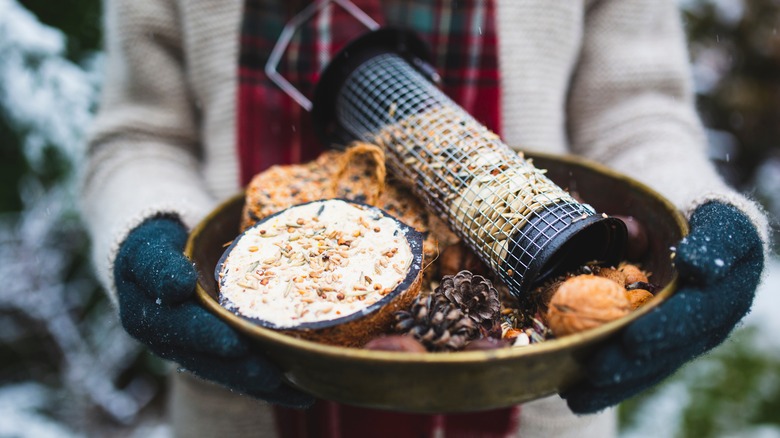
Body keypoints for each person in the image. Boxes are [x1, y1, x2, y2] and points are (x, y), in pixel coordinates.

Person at [80, 0, 768, 436]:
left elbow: (635, 112)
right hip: (247, 404)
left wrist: (697, 210)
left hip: (529, 400)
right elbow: (141, 134)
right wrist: (149, 232)